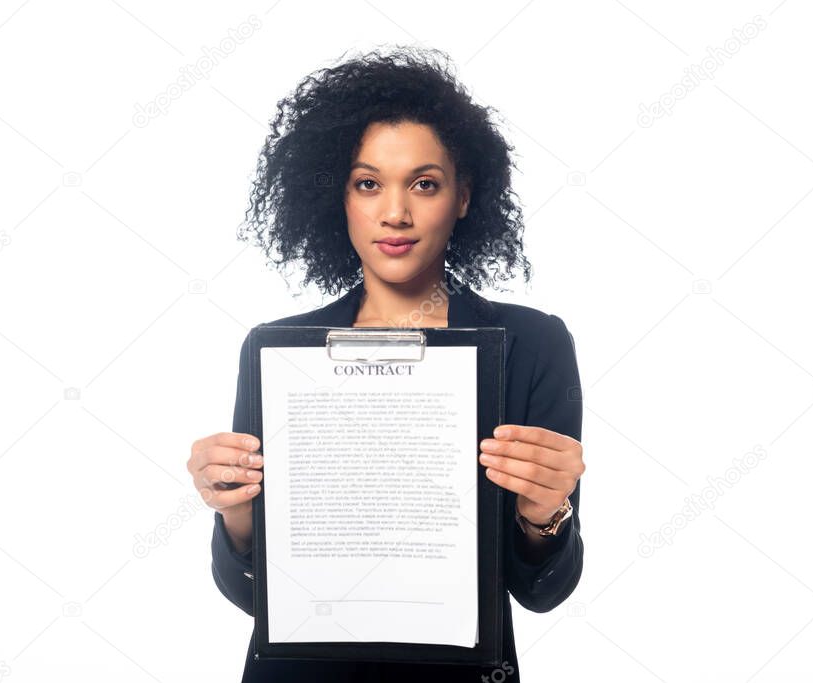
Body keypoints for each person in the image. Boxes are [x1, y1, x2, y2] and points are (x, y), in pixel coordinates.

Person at [186, 45, 586, 682]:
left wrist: (547, 513)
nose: (394, 213)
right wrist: (234, 511)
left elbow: (541, 592)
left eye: (424, 183)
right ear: (337, 197)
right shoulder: (280, 351)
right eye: (367, 183)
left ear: (462, 196)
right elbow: (253, 599)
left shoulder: (530, 342)